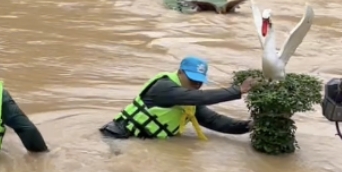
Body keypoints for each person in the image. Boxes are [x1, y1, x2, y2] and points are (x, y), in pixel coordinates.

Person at [100, 56, 256, 139]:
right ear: (180, 73)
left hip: (142, 141)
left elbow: (215, 121)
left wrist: (252, 125)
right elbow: (201, 97)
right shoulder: (164, 87)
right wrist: (238, 90)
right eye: (192, 80)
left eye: (200, 82)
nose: (196, 85)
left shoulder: (189, 103)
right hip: (117, 136)